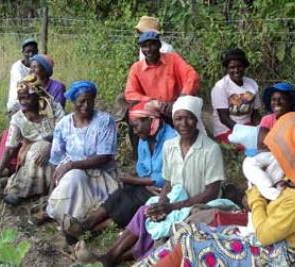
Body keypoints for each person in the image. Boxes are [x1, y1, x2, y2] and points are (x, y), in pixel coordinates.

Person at [137, 112, 295, 267]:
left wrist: (255, 197)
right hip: (269, 236)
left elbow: (264, 235)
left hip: (278, 255)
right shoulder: (292, 181)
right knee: (187, 231)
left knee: (193, 243)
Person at [76, 96, 225, 266]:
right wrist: (162, 203)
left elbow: (211, 192)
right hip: (176, 200)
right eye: (178, 118)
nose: (184, 123)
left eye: (189, 117)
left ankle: (112, 258)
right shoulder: (171, 146)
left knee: (167, 232)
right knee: (146, 213)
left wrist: (172, 207)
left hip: (199, 205)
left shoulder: (211, 149)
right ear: (173, 120)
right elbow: (168, 182)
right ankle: (109, 256)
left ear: (196, 119)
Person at [61, 101, 176, 238]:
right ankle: (87, 224)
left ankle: (91, 231)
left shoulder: (172, 140)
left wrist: (138, 181)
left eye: (136, 126)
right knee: (122, 192)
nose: (135, 131)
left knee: (132, 200)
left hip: (166, 190)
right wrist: (143, 181)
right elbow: (141, 168)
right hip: (148, 185)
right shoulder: (144, 138)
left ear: (150, 120)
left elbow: (167, 178)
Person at [45, 81, 120, 242]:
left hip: (101, 175)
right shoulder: (64, 124)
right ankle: (65, 220)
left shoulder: (105, 122)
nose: (86, 105)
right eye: (81, 101)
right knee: (73, 178)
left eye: (90, 101)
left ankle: (73, 224)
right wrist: (51, 189)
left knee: (74, 176)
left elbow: (105, 156)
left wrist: (72, 165)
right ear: (73, 102)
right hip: (68, 175)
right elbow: (55, 158)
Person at [0, 75, 64, 205]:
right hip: (34, 151)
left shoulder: (54, 108)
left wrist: (50, 146)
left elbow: (64, 132)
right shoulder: (18, 119)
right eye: (20, 98)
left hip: (59, 147)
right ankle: (20, 190)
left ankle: (35, 188)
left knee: (42, 148)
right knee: (36, 151)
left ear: (37, 95)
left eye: (26, 97)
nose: (23, 102)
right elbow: (10, 147)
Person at [231, 82, 295, 200]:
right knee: (249, 163)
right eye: (273, 99)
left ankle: (267, 193)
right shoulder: (267, 120)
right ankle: (265, 189)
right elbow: (257, 143)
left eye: (282, 99)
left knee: (280, 158)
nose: (276, 102)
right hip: (265, 157)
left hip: (287, 162)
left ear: (291, 102)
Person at [125, 31, 200, 122]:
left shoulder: (173, 59)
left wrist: (182, 99)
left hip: (175, 107)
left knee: (187, 122)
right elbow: (130, 94)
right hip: (152, 110)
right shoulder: (136, 68)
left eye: (152, 45)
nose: (148, 49)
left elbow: (191, 76)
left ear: (159, 45)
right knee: (134, 119)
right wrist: (154, 102)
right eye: (144, 46)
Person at [211, 48, 261, 143]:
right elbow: (224, 118)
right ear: (227, 69)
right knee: (251, 144)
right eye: (232, 67)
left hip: (248, 126)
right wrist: (244, 132)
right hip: (226, 130)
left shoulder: (252, 84)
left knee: (267, 140)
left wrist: (260, 128)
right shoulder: (220, 87)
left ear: (245, 66)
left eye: (240, 66)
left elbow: (255, 113)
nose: (236, 70)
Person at [6, 38, 38, 114]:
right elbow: (22, 85)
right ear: (23, 52)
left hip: (33, 99)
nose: (31, 54)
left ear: (37, 52)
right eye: (28, 52)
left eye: (34, 52)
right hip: (17, 102)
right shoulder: (17, 67)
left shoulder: (38, 66)